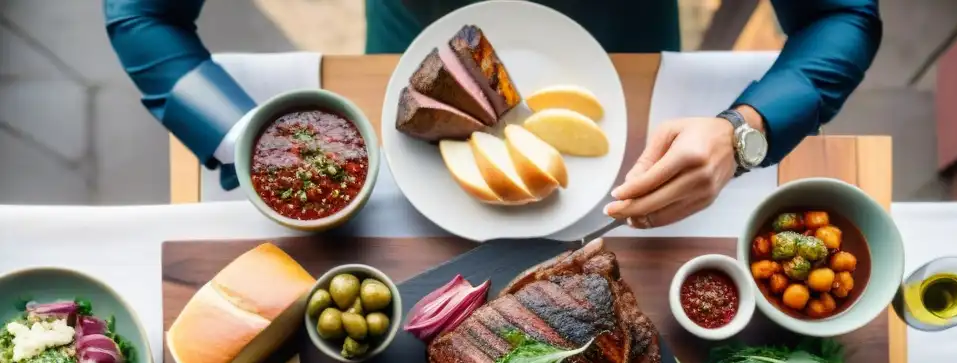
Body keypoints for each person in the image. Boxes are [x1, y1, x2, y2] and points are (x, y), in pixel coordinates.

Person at [106, 0, 879, 225]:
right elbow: (143, 11)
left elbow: (841, 13)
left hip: (632, 67)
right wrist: (255, 143)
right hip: (409, 63)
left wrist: (744, 132)